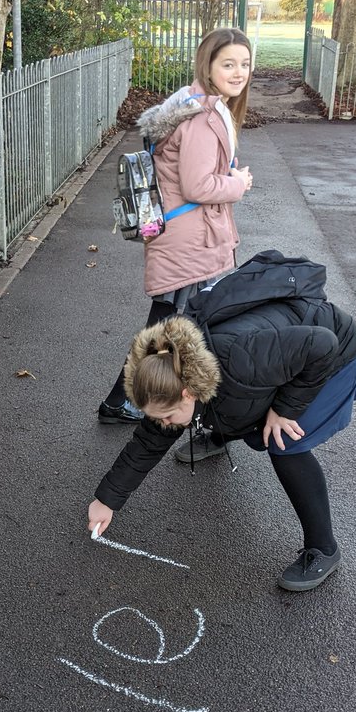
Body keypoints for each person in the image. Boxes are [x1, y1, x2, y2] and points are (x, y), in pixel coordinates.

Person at [88, 253, 356, 591]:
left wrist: (286, 410)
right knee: (232, 403)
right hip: (275, 358)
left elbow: (322, 346)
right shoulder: (170, 377)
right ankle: (223, 436)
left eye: (167, 416)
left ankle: (323, 548)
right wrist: (106, 500)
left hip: (333, 354)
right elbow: (148, 442)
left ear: (187, 392)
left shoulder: (238, 361)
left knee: (283, 441)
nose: (164, 424)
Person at [98, 27, 255, 471]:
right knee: (189, 331)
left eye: (245, 64)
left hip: (179, 234)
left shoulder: (190, 102)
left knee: (168, 325)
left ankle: (122, 401)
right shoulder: (202, 118)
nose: (238, 72)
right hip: (191, 239)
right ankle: (196, 421)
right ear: (208, 65)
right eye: (228, 64)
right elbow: (198, 185)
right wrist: (238, 184)